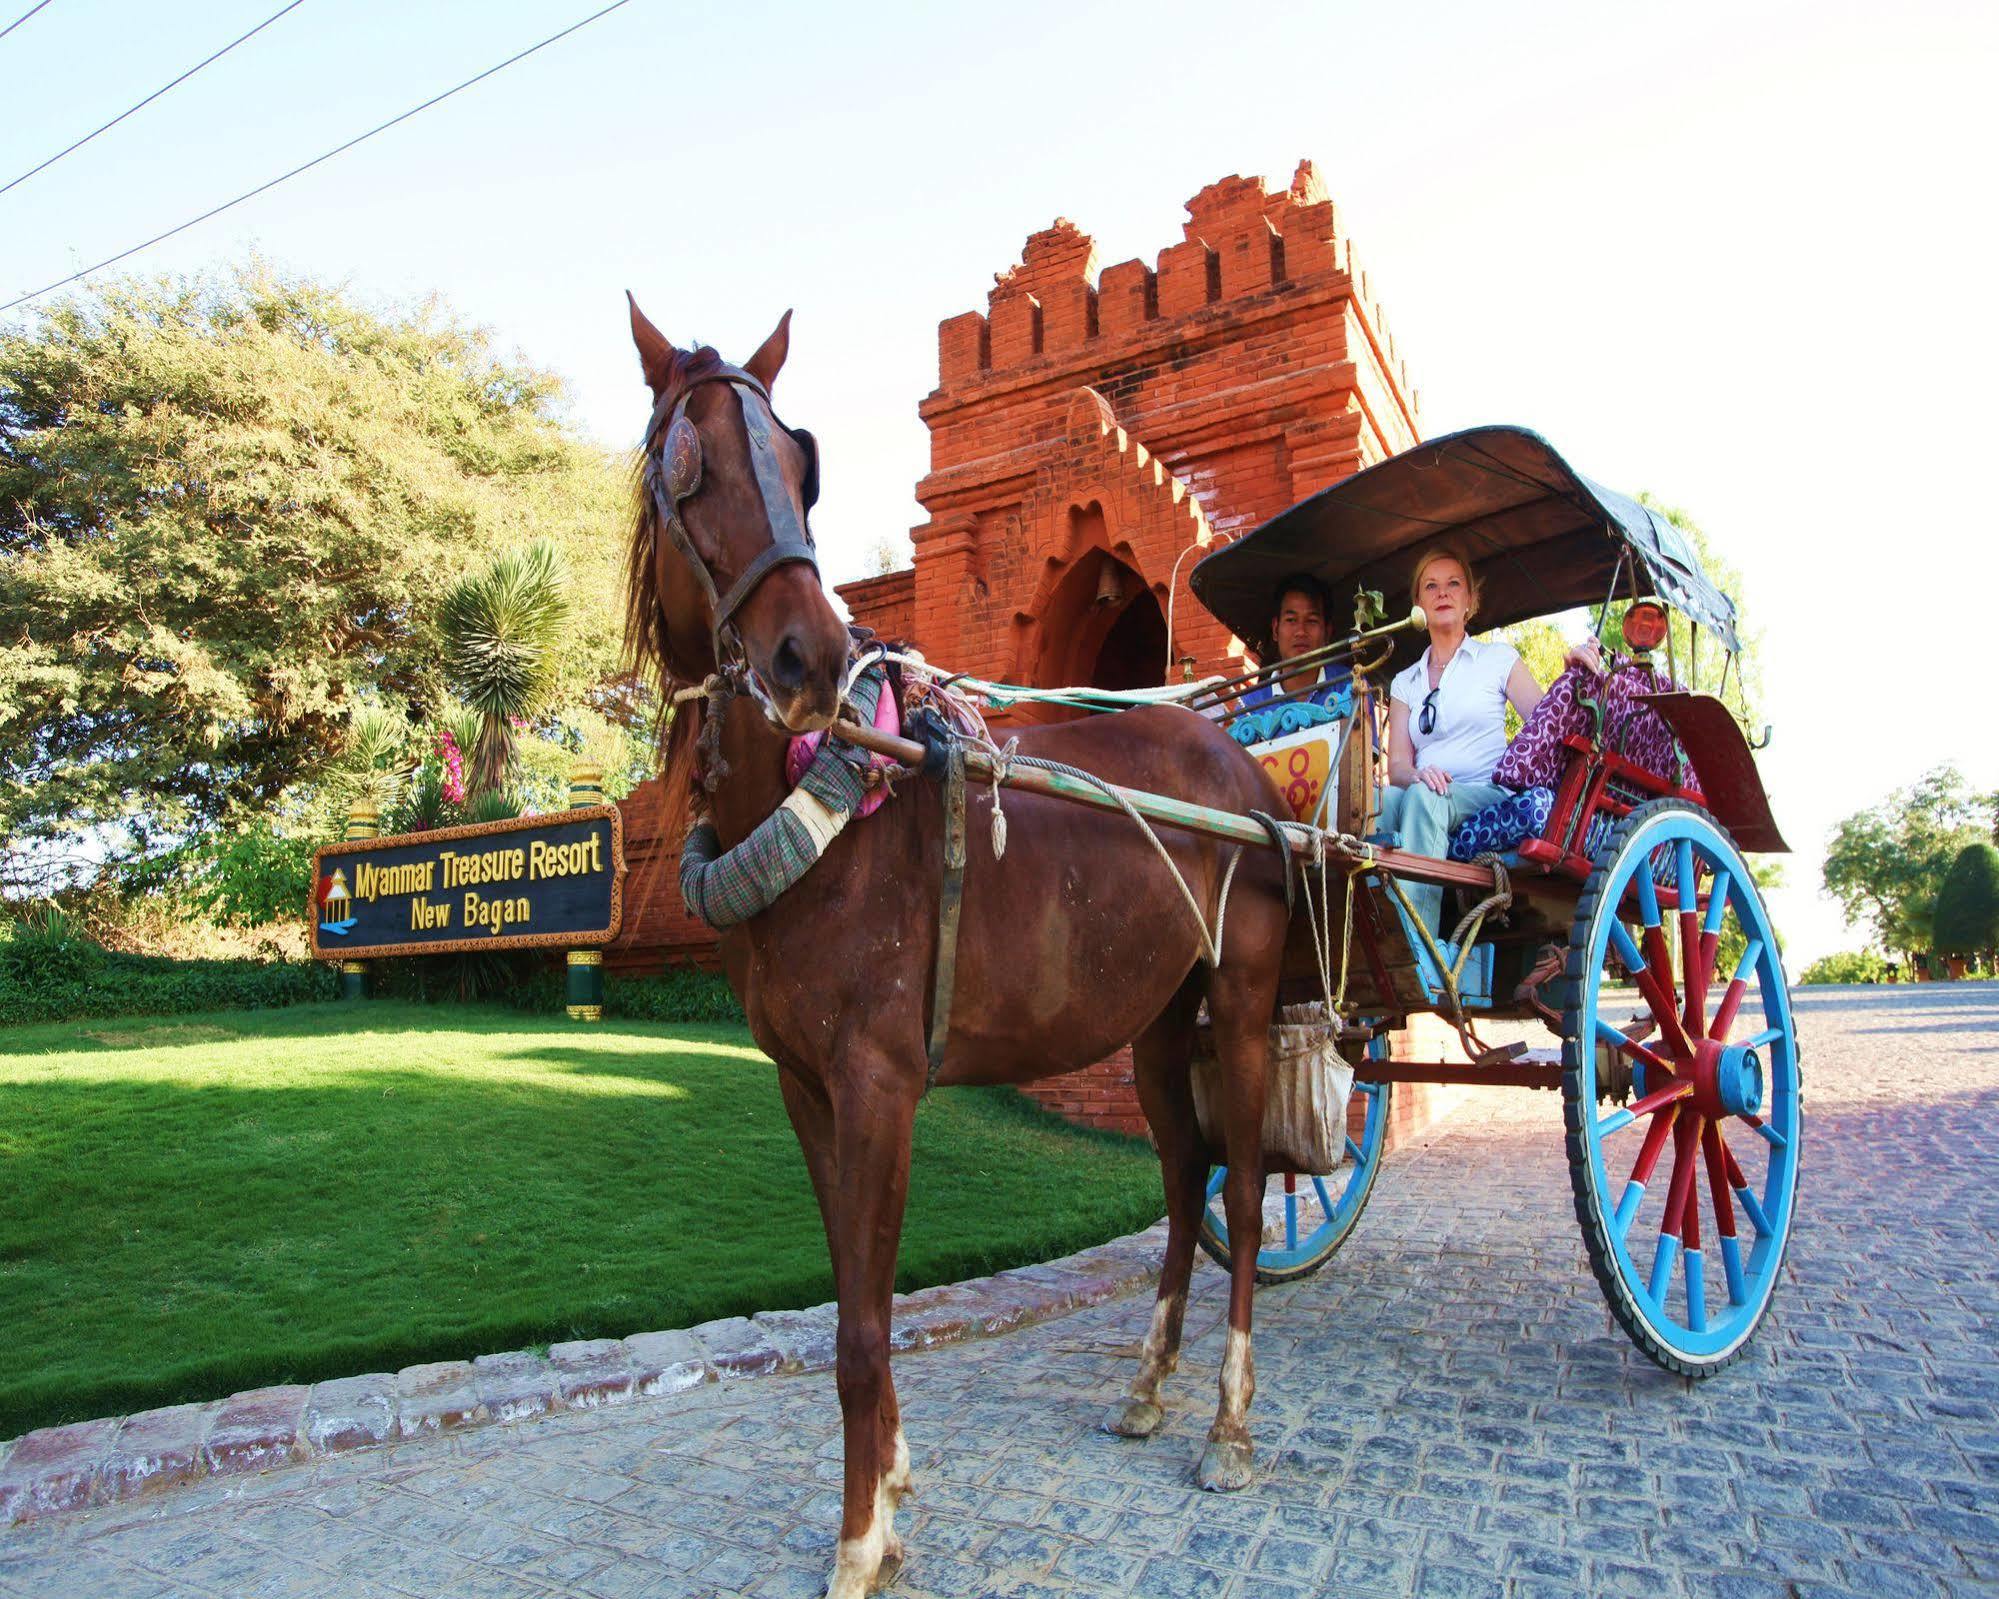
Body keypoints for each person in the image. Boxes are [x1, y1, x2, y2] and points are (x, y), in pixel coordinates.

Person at [1380, 540, 1601, 937]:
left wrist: (1570, 675)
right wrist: (1418, 775)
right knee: (1379, 803)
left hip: (1486, 791)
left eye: (1453, 584)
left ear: (1470, 599)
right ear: (1418, 603)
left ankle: (1418, 946)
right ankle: (1372, 936)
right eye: (1430, 586)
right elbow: (1397, 766)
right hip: (1425, 790)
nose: (1442, 592)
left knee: (1425, 801)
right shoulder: (1405, 681)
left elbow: (1544, 721)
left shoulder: (1498, 659)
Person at [1237, 574, 1349, 713]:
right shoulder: (1250, 705)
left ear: (1327, 632)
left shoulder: (1349, 687)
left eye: (1312, 620)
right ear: (1275, 629)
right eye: (1291, 620)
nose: (1301, 631)